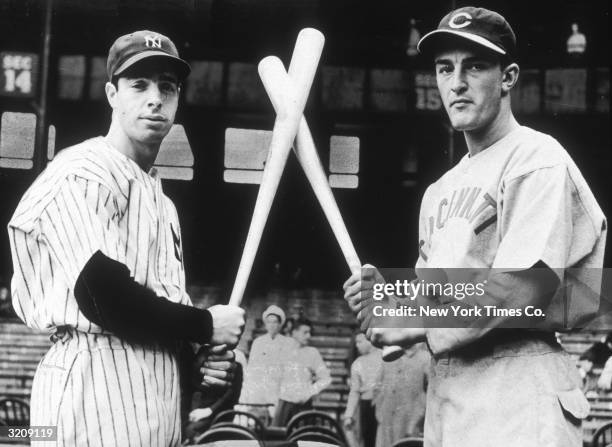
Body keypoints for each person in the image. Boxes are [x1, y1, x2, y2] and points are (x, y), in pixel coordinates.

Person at [343, 7, 606, 447]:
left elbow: (523, 285)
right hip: (450, 395)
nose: (457, 82)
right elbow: (435, 295)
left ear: (508, 77)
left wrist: (416, 322)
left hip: (521, 386)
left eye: (476, 66)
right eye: (445, 68)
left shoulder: (537, 158)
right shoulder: (439, 191)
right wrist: (386, 296)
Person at [8, 30, 245, 446]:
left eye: (167, 87)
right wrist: (206, 325)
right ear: (112, 94)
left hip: (152, 396)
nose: (155, 98)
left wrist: (200, 361)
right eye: (139, 84)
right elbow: (103, 296)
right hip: (91, 387)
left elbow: (159, 309)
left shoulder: (161, 200)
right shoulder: (85, 170)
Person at [273, 317, 331, 426]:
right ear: (294, 332)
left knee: (302, 440)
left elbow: (326, 379)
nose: (309, 336)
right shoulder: (282, 351)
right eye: (305, 332)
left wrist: (308, 393)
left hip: (303, 407)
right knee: (279, 440)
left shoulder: (312, 353)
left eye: (309, 332)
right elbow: (275, 378)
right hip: (283, 405)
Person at [183, 349, 247, 443]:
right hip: (198, 411)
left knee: (191, 429)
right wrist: (193, 411)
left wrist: (209, 410)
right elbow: (195, 389)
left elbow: (232, 394)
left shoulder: (236, 363)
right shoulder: (203, 355)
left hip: (219, 413)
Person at [240, 304, 292, 419]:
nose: (272, 325)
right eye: (269, 322)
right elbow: (253, 366)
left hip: (278, 383)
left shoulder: (287, 342)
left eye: (275, 322)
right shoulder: (258, 342)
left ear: (280, 324)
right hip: (261, 383)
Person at [372, 344, 429, 447]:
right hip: (386, 417)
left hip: (410, 419)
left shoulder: (425, 358)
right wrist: (379, 411)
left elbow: (430, 390)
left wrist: (418, 416)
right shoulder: (388, 354)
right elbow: (378, 384)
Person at [343, 333, 382, 447]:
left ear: (370, 340)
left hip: (384, 405)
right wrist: (349, 415)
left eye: (360, 342)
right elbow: (354, 391)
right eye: (356, 343)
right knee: (367, 439)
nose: (357, 346)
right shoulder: (357, 363)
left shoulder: (385, 357)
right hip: (366, 406)